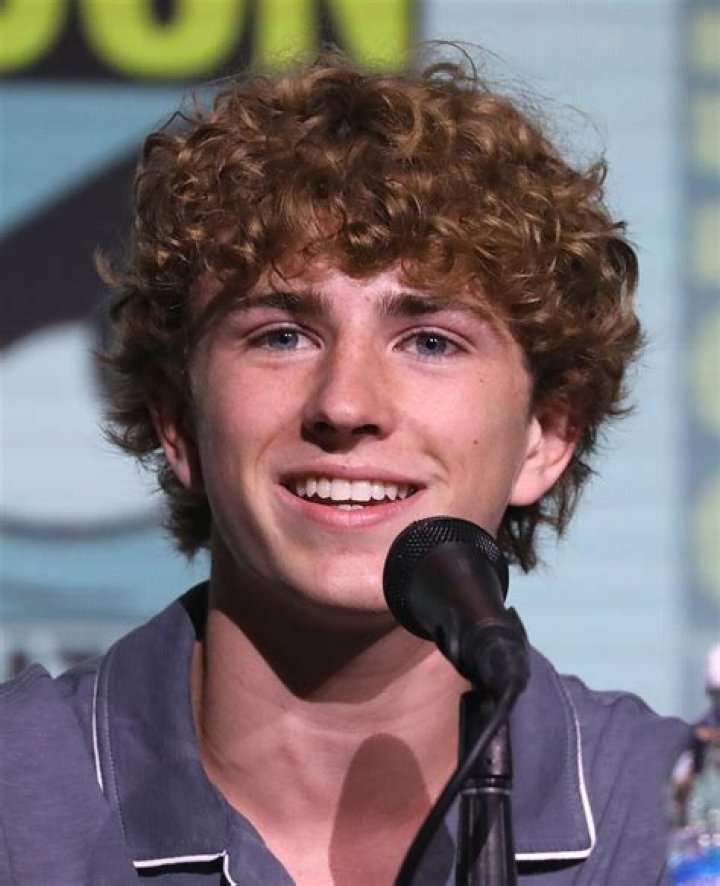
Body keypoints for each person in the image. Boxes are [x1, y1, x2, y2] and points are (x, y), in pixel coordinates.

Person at [1, 48, 689, 885]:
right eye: (282, 335)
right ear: (176, 420)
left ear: (546, 435)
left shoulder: (675, 824)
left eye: (430, 342)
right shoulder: (16, 800)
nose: (345, 402)